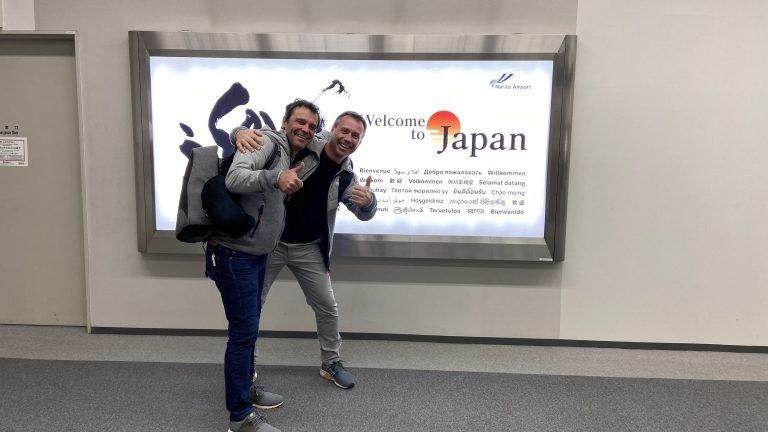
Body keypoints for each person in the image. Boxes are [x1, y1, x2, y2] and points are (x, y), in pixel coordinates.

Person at [233, 111, 376, 390]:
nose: (348, 138)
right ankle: (247, 367)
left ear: (360, 141)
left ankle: (330, 363)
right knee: (253, 306)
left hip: (309, 248)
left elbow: (362, 212)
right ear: (331, 129)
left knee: (327, 306)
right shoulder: (305, 143)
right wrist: (238, 131)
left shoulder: (346, 174)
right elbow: (268, 137)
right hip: (270, 242)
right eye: (344, 131)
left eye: (355, 135)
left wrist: (369, 203)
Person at [207, 99, 321, 432]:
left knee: (249, 329)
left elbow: (334, 137)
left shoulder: (292, 148)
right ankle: (240, 418)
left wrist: (235, 132)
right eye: (300, 122)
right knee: (243, 335)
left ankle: (246, 388)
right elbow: (235, 178)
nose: (306, 129)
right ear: (285, 122)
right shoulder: (267, 142)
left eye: (312, 126)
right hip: (233, 254)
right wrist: (275, 177)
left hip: (254, 254)